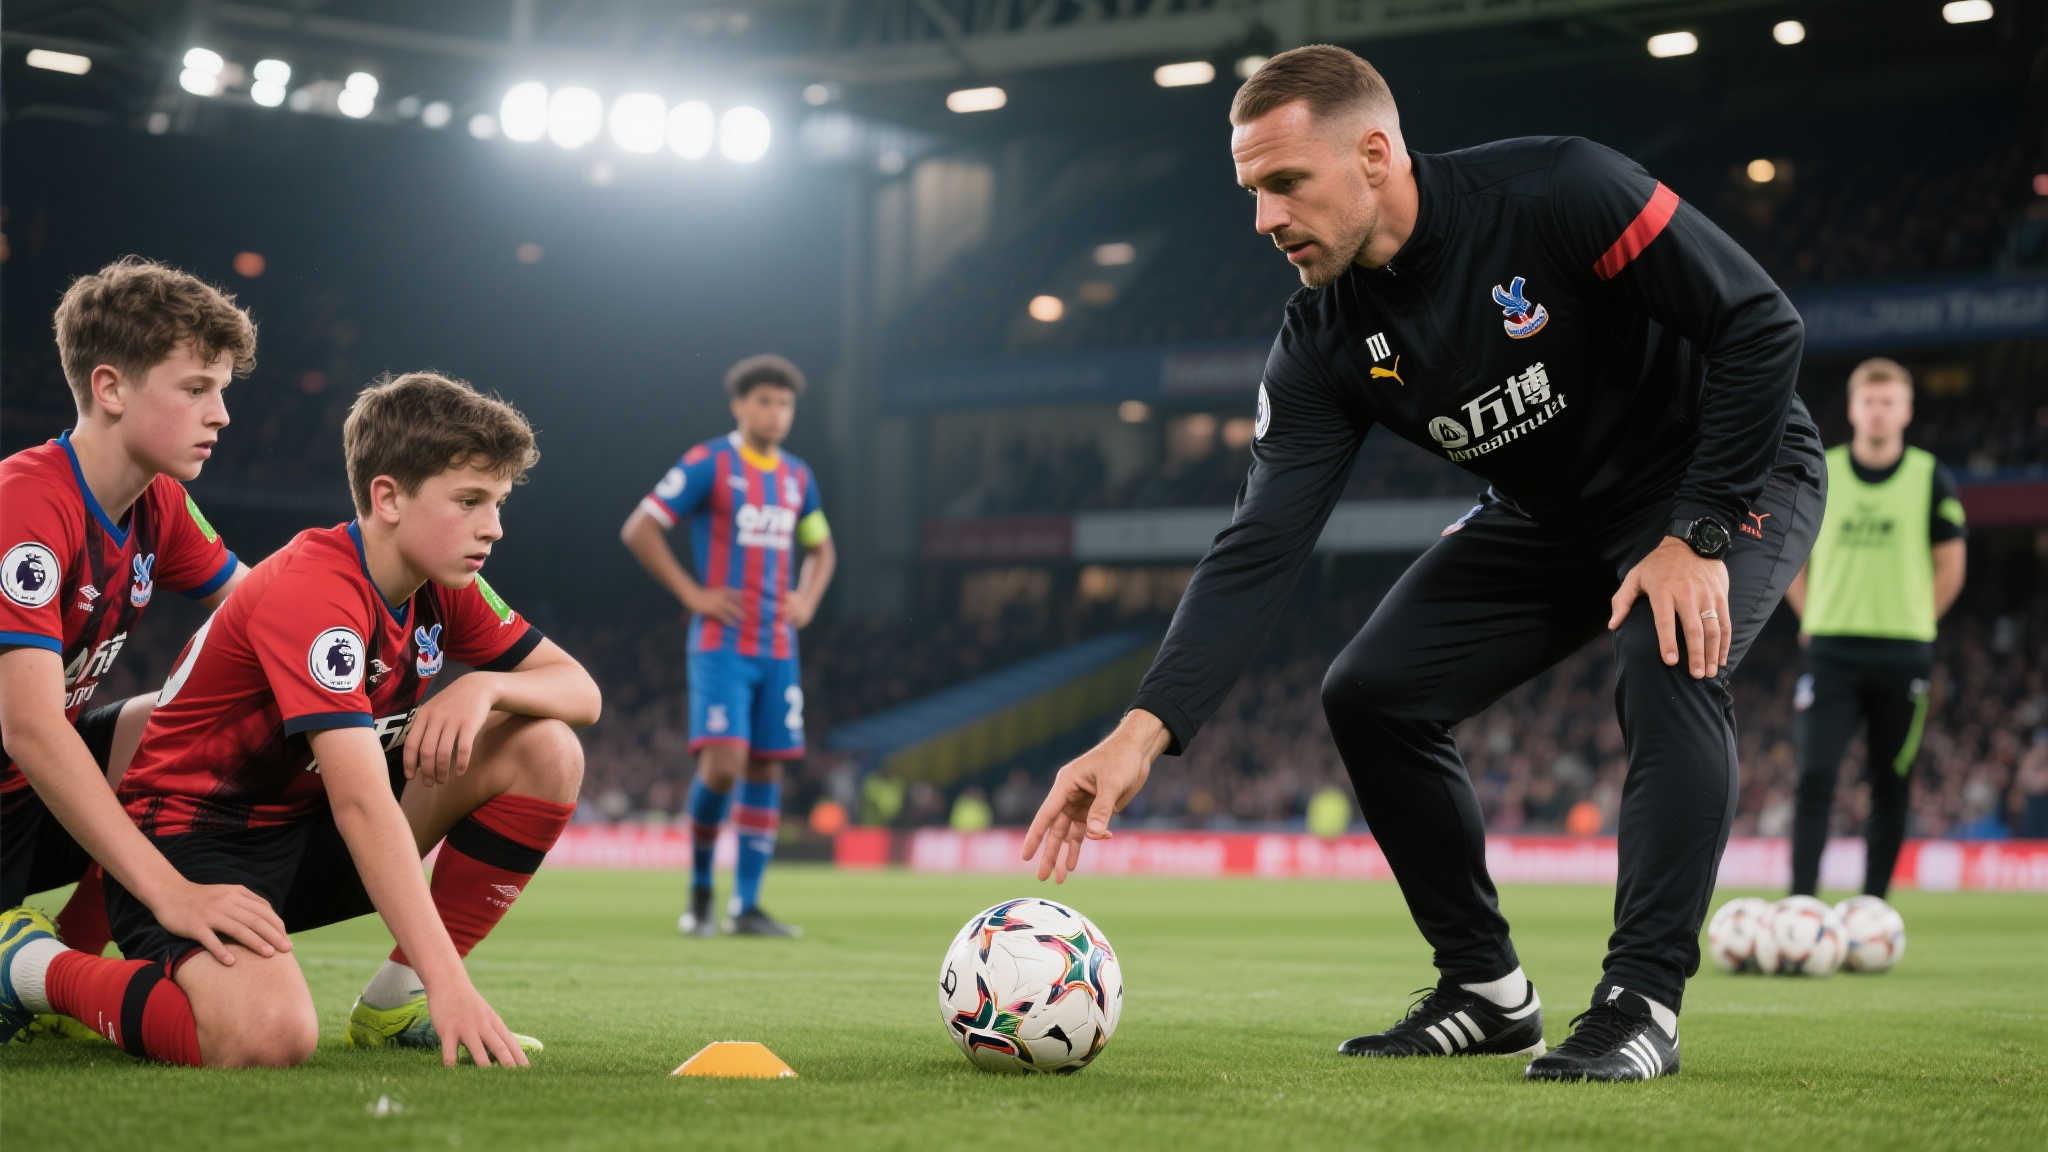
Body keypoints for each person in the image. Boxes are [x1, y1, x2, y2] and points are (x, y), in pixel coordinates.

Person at [1023, 45, 1824, 1082]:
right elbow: (1260, 542)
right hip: (1549, 516)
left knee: (1668, 649)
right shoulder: (1321, 338)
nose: (1263, 219)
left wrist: (1699, 533)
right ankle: (1486, 990)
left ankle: (1640, 1003)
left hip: (1722, 473)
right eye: (1251, 190)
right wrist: (1143, 730)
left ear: (1373, 153)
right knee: (1371, 693)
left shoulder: (1559, 188)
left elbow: (1758, 323)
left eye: (1285, 182)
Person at [0, 372, 599, 1067]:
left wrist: (485, 687)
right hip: (196, 840)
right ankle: (29, 965)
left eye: (497, 502)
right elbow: (360, 802)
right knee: (266, 1035)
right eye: (469, 501)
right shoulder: (318, 590)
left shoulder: (444, 583)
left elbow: (580, 691)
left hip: (302, 828)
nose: (492, 526)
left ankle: (396, 1001)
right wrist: (454, 985)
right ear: (388, 497)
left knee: (547, 749)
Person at [1, 257, 278, 978]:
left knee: (193, 708)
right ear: (111, 388)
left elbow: (276, 618)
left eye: (221, 390)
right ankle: (34, 968)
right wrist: (169, 890)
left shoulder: (159, 501)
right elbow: (28, 726)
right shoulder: (25, 504)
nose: (221, 413)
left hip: (25, 797)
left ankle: (68, 947)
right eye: (196, 388)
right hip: (21, 766)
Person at [621, 355, 834, 937]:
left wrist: (807, 599)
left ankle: (747, 906)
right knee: (723, 766)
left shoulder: (797, 477)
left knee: (766, 764)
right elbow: (641, 526)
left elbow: (821, 548)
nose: (776, 412)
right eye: (764, 400)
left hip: (778, 646)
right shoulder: (709, 461)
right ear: (739, 405)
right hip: (723, 643)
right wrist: (692, 592)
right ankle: (699, 891)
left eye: (785, 403)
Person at [1785, 358, 1965, 899]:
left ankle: (1873, 906)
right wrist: (1810, 615)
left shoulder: (1930, 477)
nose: (1879, 411)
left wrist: (1918, 619)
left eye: (1889, 402)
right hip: (1831, 650)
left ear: (1907, 410)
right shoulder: (1823, 470)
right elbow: (1790, 553)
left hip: (1904, 653)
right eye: (1870, 401)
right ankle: (1801, 904)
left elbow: (1951, 564)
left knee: (1891, 781)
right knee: (1814, 776)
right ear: (1853, 408)